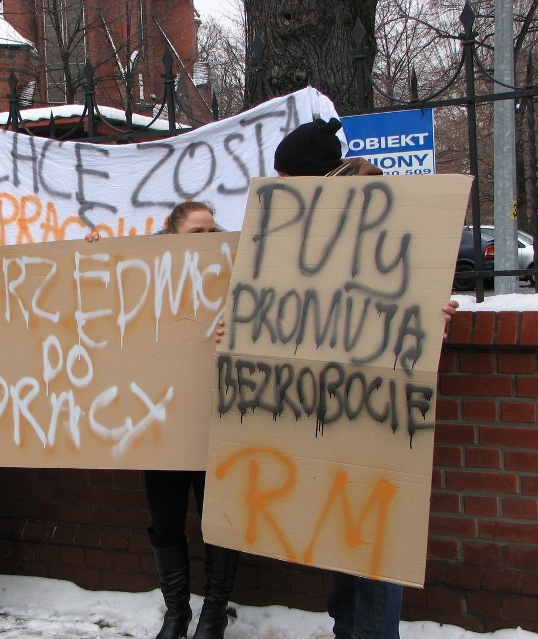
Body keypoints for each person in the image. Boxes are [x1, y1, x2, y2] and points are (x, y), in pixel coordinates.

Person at [272, 117, 458, 639]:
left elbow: (409, 285)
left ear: (308, 178)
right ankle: (348, 627)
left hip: (379, 401)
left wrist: (430, 310)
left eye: (285, 176)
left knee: (374, 533)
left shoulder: (378, 216)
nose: (278, 187)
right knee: (342, 524)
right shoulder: (303, 227)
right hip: (328, 401)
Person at [86, 201, 238, 639]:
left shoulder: (236, 270)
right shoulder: (146, 272)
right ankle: (177, 613)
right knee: (167, 519)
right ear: (171, 235)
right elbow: (103, 299)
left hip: (218, 419)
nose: (209, 238)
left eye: (213, 230)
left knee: (220, 521)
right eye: (197, 232)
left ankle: (213, 612)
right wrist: (94, 251)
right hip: (162, 421)